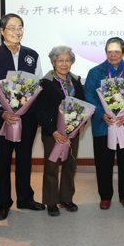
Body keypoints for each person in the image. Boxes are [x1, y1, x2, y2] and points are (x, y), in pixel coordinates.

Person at [0, 13, 45, 221]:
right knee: (2, 162)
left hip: (27, 118)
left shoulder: (32, 55)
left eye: (19, 27)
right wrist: (1, 112)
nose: (16, 31)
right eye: (11, 27)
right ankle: (3, 203)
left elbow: (38, 86)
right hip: (1, 118)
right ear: (2, 31)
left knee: (25, 160)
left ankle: (25, 198)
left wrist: (34, 114)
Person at [83, 37, 124, 210]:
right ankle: (105, 196)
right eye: (110, 51)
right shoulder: (94, 72)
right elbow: (88, 95)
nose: (113, 54)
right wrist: (101, 114)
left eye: (117, 51)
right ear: (106, 53)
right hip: (104, 125)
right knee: (103, 163)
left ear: (123, 53)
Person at [35, 46, 84, 216]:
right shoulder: (46, 82)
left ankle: (66, 199)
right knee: (52, 166)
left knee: (70, 165)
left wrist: (82, 123)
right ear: (53, 62)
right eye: (60, 60)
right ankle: (51, 202)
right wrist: (54, 131)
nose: (64, 64)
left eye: (67, 60)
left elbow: (83, 105)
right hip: (53, 133)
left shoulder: (76, 81)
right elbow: (39, 110)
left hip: (72, 132)